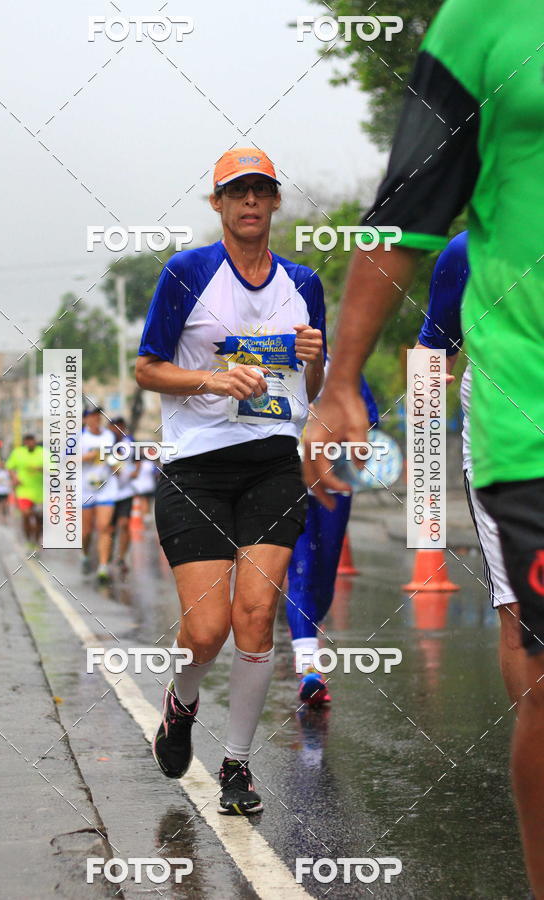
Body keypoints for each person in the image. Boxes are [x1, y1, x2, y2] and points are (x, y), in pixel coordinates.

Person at [304, 1, 544, 892]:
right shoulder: (482, 22)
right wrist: (344, 387)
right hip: (525, 416)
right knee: (536, 661)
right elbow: (403, 220)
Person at [135, 146, 326, 815]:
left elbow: (311, 386)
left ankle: (237, 766)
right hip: (195, 468)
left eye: (260, 191)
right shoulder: (187, 272)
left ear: (274, 201)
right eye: (237, 191)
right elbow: (147, 368)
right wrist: (212, 380)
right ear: (217, 203)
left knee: (256, 616)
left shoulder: (303, 282)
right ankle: (181, 701)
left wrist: (315, 358)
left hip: (272, 462)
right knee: (206, 630)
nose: (250, 201)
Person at [415, 231, 526, 705]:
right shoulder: (468, 250)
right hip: (500, 452)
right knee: (521, 613)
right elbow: (431, 353)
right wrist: (424, 384)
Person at [287, 375, 378, 706]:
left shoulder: (342, 368)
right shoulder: (271, 357)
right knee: (301, 572)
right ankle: (308, 668)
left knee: (324, 580)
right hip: (288, 479)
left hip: (334, 479)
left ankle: (308, 632)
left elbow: (369, 418)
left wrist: (334, 423)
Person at [80, 407, 117, 583]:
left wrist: (116, 464)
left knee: (104, 526)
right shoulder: (77, 438)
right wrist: (88, 456)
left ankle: (103, 567)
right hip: (85, 488)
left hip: (106, 486)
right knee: (86, 531)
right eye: (92, 416)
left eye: (98, 416)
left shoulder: (109, 436)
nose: (96, 419)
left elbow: (112, 457)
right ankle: (85, 555)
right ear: (85, 419)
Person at [108, 416, 139, 575]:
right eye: (115, 426)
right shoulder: (105, 441)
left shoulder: (130, 442)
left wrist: (136, 471)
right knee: (110, 527)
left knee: (125, 523)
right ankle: (107, 557)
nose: (117, 430)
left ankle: (122, 558)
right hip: (108, 493)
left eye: (120, 426)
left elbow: (139, 458)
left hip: (126, 491)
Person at [5, 434, 44, 546]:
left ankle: (36, 540)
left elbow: (54, 468)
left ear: (35, 441)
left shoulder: (43, 452)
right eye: (27, 441)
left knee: (39, 519)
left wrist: (41, 469)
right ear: (24, 443)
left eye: (32, 441)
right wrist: (14, 478)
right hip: (24, 490)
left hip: (40, 491)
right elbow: (9, 467)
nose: (30, 443)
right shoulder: (17, 453)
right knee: (26, 514)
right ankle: (29, 540)